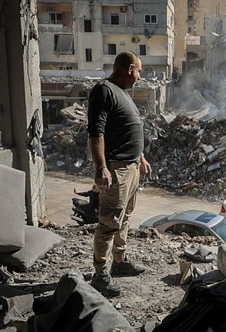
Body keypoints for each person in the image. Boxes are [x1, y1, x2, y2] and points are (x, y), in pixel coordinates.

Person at [87, 51, 152, 297]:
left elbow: (126, 131)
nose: (139, 76)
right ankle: (101, 275)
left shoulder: (122, 93)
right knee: (108, 223)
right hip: (117, 169)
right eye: (139, 71)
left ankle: (120, 262)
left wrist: (141, 157)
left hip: (132, 166)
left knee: (124, 218)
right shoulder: (104, 90)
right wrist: (101, 167)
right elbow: (96, 131)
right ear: (129, 68)